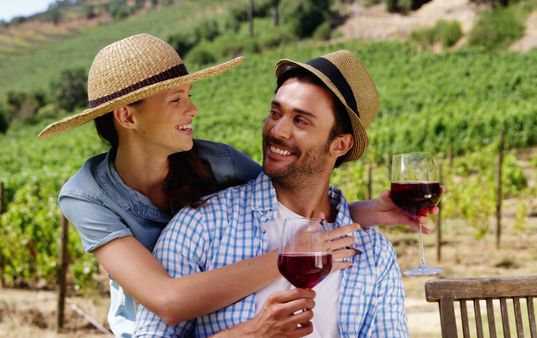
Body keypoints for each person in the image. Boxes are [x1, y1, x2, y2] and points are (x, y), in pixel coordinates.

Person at [37, 34, 424, 337]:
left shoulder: (219, 163)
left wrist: (361, 214)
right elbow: (168, 301)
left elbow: (292, 198)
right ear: (127, 116)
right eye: (176, 100)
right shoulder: (88, 195)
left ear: (341, 145)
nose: (193, 110)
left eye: (300, 120)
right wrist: (291, 261)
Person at [135, 50, 409, 337]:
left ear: (339, 145)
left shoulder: (373, 254)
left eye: (300, 121)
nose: (277, 130)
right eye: (275, 113)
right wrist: (252, 332)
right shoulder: (203, 225)